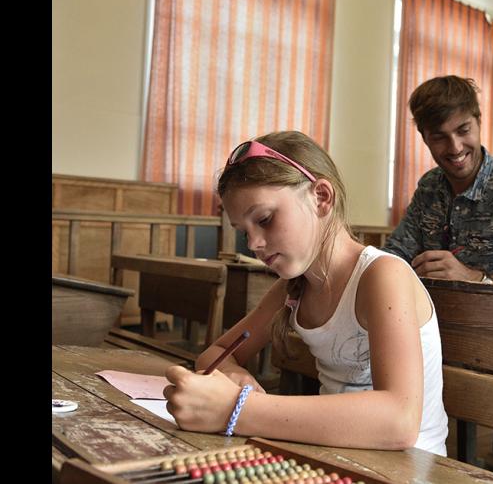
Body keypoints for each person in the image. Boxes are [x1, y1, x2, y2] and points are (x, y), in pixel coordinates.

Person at [162, 131, 449, 455]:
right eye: (244, 231)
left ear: (321, 197)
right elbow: (218, 353)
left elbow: (399, 421)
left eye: (265, 219)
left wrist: (237, 409)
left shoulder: (383, 275)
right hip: (336, 457)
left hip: (410, 469)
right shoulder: (293, 290)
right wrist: (236, 378)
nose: (253, 243)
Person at [383, 75, 493, 282]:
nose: (455, 147)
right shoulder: (429, 187)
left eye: (463, 130)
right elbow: (396, 254)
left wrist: (476, 278)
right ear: (424, 138)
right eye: (439, 137)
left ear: (479, 121)